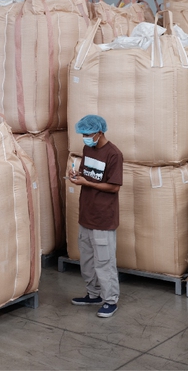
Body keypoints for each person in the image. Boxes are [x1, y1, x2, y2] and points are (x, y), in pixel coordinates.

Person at [66, 114, 126, 318]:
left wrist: (87, 183)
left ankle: (110, 300)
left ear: (100, 132)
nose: (85, 138)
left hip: (103, 217)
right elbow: (87, 174)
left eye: (88, 134)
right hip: (86, 214)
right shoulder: (88, 149)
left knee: (104, 262)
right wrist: (77, 176)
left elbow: (114, 187)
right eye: (83, 135)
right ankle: (93, 294)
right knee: (87, 260)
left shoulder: (114, 154)